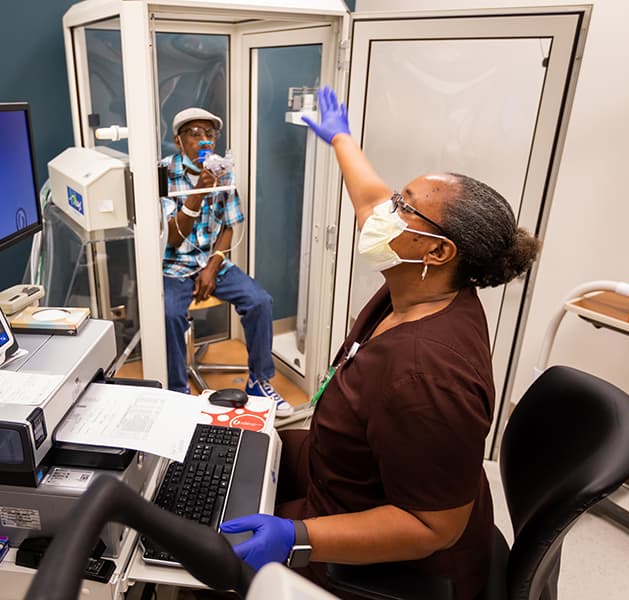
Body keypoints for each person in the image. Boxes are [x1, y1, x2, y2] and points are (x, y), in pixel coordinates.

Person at [218, 87, 541, 600]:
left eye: (404, 207)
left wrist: (296, 536)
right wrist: (340, 136)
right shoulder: (422, 286)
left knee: (207, 556)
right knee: (234, 455)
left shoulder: (426, 371)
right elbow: (369, 197)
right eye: (398, 198)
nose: (385, 212)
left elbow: (433, 527)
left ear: (436, 249)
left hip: (396, 566)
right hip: (351, 476)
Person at [160, 107, 293, 417]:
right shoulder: (164, 174)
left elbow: (230, 226)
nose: (204, 140)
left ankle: (259, 380)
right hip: (172, 266)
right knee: (168, 316)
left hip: (212, 261)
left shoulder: (224, 172)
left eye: (210, 134)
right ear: (179, 142)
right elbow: (173, 238)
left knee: (260, 302)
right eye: (195, 134)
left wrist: (212, 265)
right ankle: (177, 392)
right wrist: (199, 190)